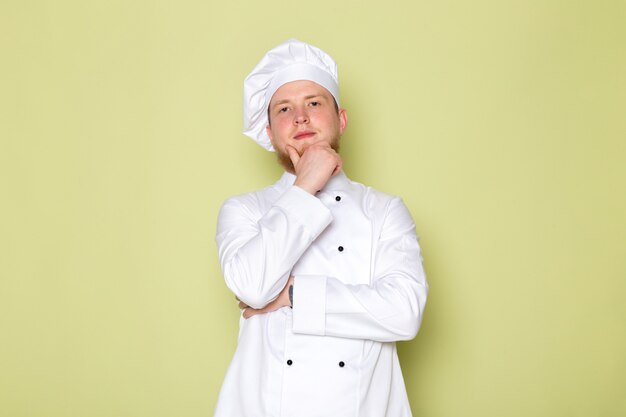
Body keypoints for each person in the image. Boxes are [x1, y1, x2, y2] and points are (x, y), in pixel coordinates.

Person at [214, 39, 428, 417]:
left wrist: (293, 295)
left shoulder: (384, 211)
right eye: (284, 108)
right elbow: (251, 285)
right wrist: (305, 186)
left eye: (314, 102)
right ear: (269, 131)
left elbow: (404, 312)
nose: (300, 117)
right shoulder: (244, 210)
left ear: (341, 119)